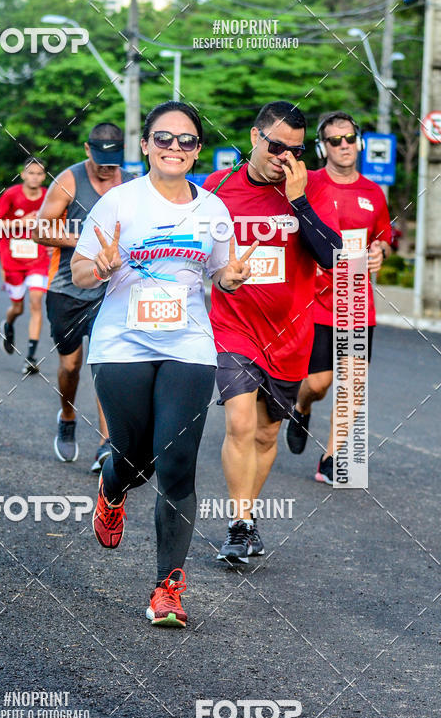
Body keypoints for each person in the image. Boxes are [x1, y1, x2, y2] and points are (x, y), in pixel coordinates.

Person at [71, 101, 256, 628]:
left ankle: (167, 587)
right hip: (122, 345)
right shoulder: (119, 202)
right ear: (146, 145)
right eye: (164, 138)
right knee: (134, 459)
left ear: (197, 151)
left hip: (189, 347)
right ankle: (112, 487)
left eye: (186, 140)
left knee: (175, 462)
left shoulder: (213, 210)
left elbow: (221, 273)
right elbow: (80, 271)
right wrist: (100, 265)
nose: (175, 147)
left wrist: (230, 279)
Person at [204, 101, 342, 565]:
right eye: (277, 146)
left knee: (265, 436)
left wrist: (299, 201)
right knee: (240, 423)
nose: (285, 158)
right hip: (235, 326)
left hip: (291, 334)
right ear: (254, 137)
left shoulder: (310, 187)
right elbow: (194, 253)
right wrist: (220, 277)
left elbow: (332, 256)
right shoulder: (216, 187)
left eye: (295, 151)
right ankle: (239, 525)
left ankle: (249, 519)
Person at [285, 111, 392, 482]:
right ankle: (301, 407)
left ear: (358, 141)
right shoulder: (309, 182)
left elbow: (383, 237)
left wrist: (380, 251)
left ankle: (331, 458)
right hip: (314, 301)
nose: (344, 146)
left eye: (349, 139)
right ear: (322, 147)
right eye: (335, 140)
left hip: (357, 303)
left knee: (352, 386)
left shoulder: (373, 192)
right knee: (318, 383)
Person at [35, 124, 133, 470]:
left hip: (110, 289)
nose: (107, 168)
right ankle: (67, 415)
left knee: (105, 364)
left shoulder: (131, 183)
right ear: (88, 150)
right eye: (101, 160)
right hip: (67, 288)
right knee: (70, 366)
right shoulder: (69, 180)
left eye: (114, 160)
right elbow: (40, 229)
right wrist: (86, 243)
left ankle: (107, 444)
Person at [0, 158, 50, 374]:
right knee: (18, 308)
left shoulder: (48, 196)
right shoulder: (11, 194)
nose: (34, 177)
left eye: (39, 173)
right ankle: (8, 325)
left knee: (36, 302)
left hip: (38, 258)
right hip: (13, 258)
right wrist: (21, 222)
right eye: (31, 173)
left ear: (44, 177)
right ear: (23, 174)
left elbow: (57, 221)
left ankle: (31, 357)